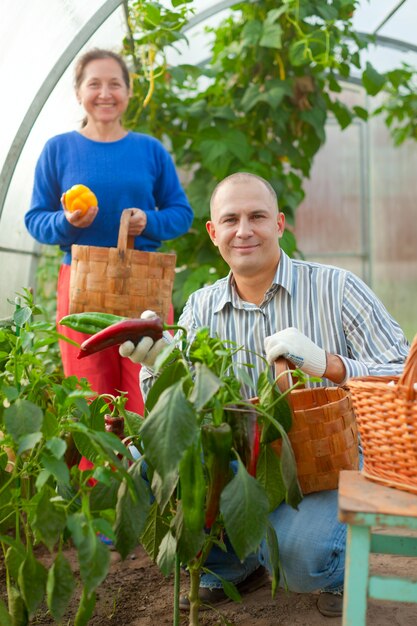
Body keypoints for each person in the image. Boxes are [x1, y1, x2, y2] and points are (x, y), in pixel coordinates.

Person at [119, 172, 409, 617]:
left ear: (279, 224)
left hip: (331, 463)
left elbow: (403, 377)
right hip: (247, 457)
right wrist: (158, 366)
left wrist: (327, 364)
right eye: (230, 219)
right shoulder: (201, 306)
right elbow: (183, 408)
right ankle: (232, 565)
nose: (244, 230)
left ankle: (333, 567)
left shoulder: (337, 288)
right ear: (214, 233)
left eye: (257, 216)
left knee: (298, 557)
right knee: (148, 461)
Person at [25, 48, 193, 416]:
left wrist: (148, 221)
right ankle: (97, 474)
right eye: (94, 84)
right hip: (82, 284)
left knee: (148, 390)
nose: (105, 93)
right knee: (90, 397)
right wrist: (67, 223)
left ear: (129, 92)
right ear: (78, 93)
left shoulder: (149, 150)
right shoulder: (59, 150)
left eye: (115, 84)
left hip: (142, 284)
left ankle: (148, 473)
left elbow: (182, 214)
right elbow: (35, 219)